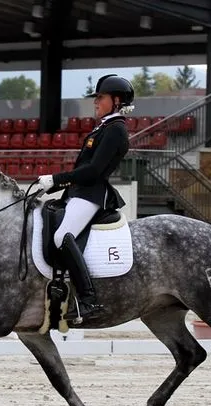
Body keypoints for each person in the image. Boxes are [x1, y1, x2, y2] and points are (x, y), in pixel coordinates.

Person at [36, 74, 133, 321]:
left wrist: (57, 179)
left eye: (100, 97)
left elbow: (93, 171)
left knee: (62, 236)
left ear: (117, 100)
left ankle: (88, 300)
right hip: (78, 192)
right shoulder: (103, 127)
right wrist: (55, 187)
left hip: (91, 194)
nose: (96, 102)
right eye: (96, 98)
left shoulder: (116, 130)